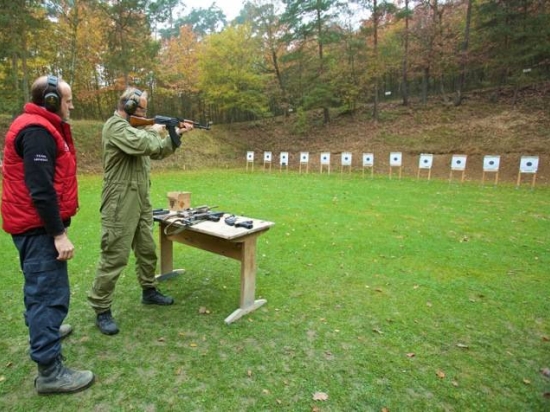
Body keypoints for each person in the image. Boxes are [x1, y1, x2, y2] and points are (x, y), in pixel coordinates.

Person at [1, 75, 94, 394]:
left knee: (39, 289)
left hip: (31, 225)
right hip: (39, 229)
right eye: (67, 100)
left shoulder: (37, 125)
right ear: (51, 100)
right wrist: (58, 234)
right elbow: (40, 190)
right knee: (48, 295)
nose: (71, 105)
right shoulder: (38, 131)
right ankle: (50, 372)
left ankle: (46, 331)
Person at [87, 87, 193, 335]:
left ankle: (149, 290)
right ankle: (101, 308)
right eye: (142, 109)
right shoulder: (116, 127)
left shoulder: (138, 130)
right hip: (119, 200)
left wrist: (176, 134)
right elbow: (144, 143)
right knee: (115, 254)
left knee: (147, 249)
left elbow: (158, 151)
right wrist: (160, 130)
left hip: (141, 198)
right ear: (130, 106)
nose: (146, 115)